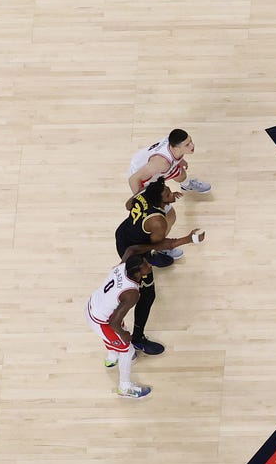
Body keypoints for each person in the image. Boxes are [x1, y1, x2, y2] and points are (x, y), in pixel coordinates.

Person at [114, 176, 207, 355]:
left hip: (123, 234)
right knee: (148, 295)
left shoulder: (142, 196)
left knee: (151, 249)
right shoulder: (158, 221)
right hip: (134, 252)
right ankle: (138, 338)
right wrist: (189, 239)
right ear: (158, 200)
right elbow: (157, 243)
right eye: (167, 194)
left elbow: (128, 206)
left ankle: (152, 258)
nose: (171, 194)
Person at [127, 129, 211, 264]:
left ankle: (187, 184)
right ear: (175, 147)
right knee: (169, 216)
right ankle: (160, 247)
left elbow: (175, 154)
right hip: (144, 179)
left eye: (191, 141)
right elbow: (133, 180)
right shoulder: (162, 163)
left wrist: (180, 160)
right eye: (187, 145)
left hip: (155, 167)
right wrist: (145, 203)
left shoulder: (174, 143)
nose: (192, 146)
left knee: (181, 173)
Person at [85, 252, 153, 399]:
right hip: (103, 321)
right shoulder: (132, 294)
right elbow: (114, 322)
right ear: (137, 273)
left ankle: (112, 357)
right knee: (127, 350)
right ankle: (125, 388)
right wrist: (125, 336)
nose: (149, 265)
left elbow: (131, 248)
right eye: (145, 266)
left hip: (94, 305)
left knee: (113, 336)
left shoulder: (123, 266)